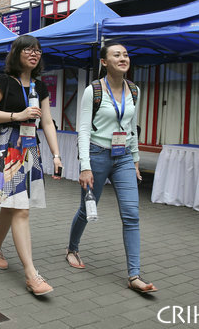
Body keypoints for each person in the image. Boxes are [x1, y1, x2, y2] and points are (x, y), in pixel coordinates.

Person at [66, 41, 157, 294]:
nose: (123, 58)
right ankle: (72, 248)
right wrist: (85, 167)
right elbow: (83, 130)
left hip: (124, 156)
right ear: (104, 62)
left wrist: (136, 159)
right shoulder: (93, 91)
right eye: (116, 55)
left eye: (126, 54)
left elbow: (132, 127)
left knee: (131, 214)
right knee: (87, 209)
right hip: (96, 155)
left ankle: (134, 275)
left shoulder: (134, 91)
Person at [0, 35, 62, 296]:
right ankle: (31, 274)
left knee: (12, 205)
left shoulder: (41, 86)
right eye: (27, 49)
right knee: (21, 209)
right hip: (9, 147)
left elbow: (47, 122)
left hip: (30, 149)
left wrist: (57, 155)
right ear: (16, 54)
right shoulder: (4, 81)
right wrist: (18, 115)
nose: (33, 53)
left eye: (37, 50)